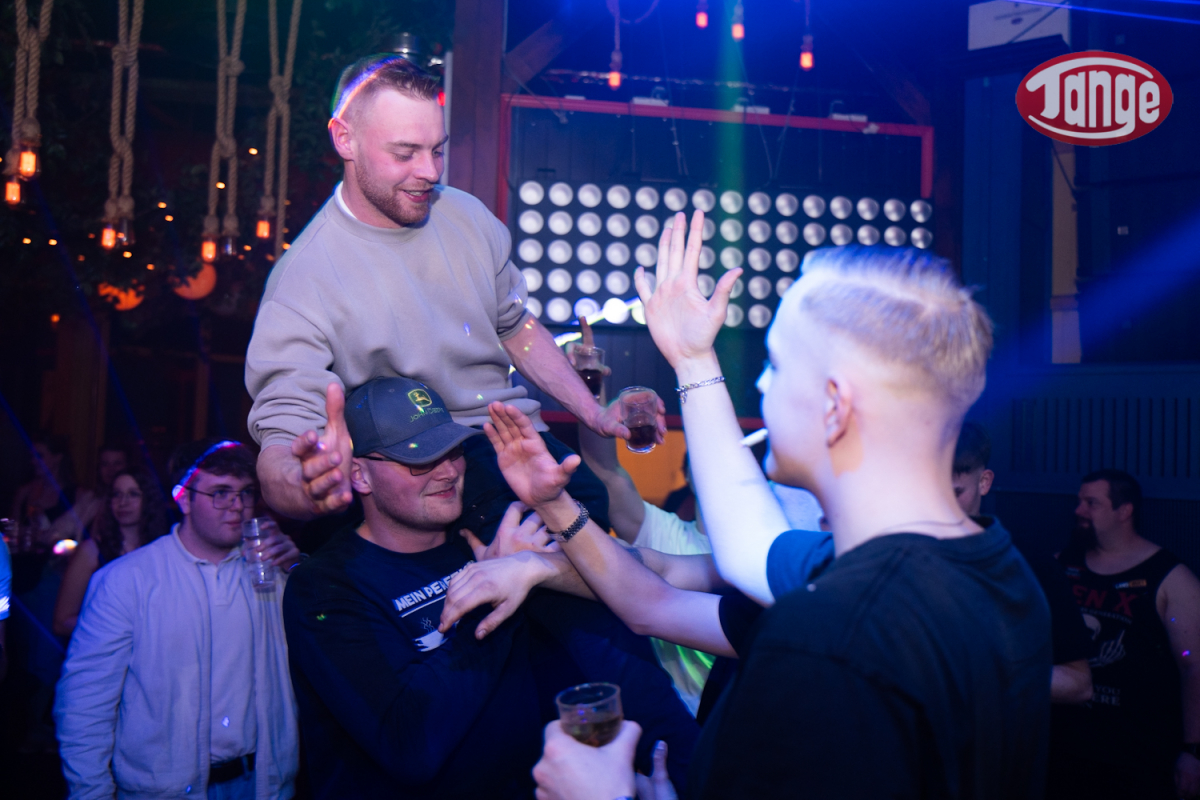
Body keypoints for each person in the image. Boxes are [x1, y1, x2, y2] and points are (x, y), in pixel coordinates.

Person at [532, 218, 1052, 799]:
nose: (761, 383)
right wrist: (692, 360)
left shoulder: (823, 643)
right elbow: (748, 544)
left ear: (835, 406)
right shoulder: (994, 569)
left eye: (776, 364)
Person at [245, 54, 658, 540]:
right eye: (405, 153)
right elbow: (281, 435)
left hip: (513, 440)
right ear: (344, 139)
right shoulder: (303, 279)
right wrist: (305, 483)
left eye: (437, 150)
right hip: (418, 471)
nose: (428, 171)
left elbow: (515, 327)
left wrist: (592, 412)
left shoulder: (466, 216)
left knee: (599, 515)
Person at [281, 376, 697, 799]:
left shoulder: (486, 541)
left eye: (452, 450)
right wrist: (493, 590)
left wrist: (531, 562)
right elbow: (409, 744)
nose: (448, 471)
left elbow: (636, 587)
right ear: (360, 475)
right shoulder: (326, 585)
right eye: (419, 459)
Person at [55, 439, 302, 799]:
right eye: (220, 493)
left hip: (261, 785)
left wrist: (297, 569)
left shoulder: (270, 573)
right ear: (183, 499)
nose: (237, 505)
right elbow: (85, 704)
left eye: (245, 493)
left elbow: (327, 638)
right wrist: (91, 792)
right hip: (164, 792)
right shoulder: (127, 581)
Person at [1048, 469, 1200, 800]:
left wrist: (1193, 750)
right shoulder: (1061, 566)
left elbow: (1194, 667)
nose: (1079, 510)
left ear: (1125, 510)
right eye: (1079, 501)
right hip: (1065, 747)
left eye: (1091, 503)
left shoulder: (1170, 578)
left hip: (1137, 754)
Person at [951, 422, 1094, 704]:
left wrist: (984, 676)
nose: (940, 504)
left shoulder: (1028, 564)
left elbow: (1079, 683)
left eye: (956, 493)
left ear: (984, 482)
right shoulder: (899, 558)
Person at [52, 467, 169, 637]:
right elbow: (61, 622)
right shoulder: (91, 551)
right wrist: (119, 627)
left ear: (148, 500)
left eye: (133, 494)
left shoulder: (161, 551)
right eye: (117, 494)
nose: (123, 502)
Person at [10, 434, 95, 547]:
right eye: (32, 456)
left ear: (57, 457)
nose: (34, 461)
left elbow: (77, 536)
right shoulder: (24, 492)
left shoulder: (77, 494)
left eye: (40, 456)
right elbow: (12, 531)